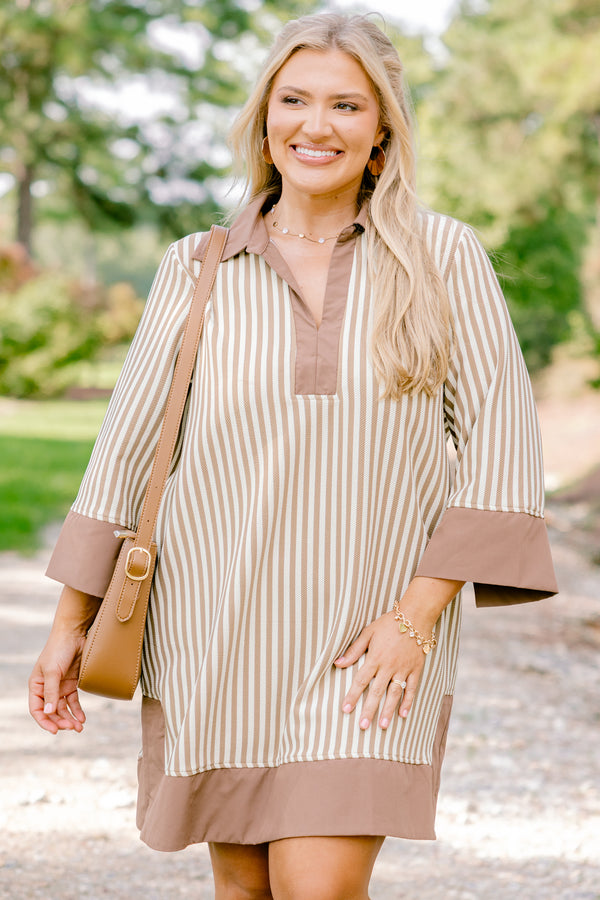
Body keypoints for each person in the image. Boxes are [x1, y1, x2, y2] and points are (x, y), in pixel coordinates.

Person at [29, 12, 558, 900]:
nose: (317, 126)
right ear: (266, 121)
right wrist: (69, 625)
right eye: (295, 100)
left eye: (347, 104)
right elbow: (124, 451)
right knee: (243, 890)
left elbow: (503, 445)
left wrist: (414, 620)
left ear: (382, 129)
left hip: (369, 639)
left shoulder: (445, 257)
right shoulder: (196, 266)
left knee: (319, 887)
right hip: (214, 631)